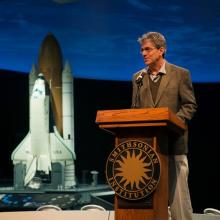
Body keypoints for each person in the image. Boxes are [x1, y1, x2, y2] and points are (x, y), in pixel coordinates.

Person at [131, 32, 197, 220]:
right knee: (151, 199)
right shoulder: (137, 78)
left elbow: (190, 105)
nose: (143, 53)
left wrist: (172, 123)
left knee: (179, 199)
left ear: (161, 50)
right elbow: (135, 111)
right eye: (142, 50)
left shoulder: (180, 74)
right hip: (147, 149)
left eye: (148, 49)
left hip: (174, 145)